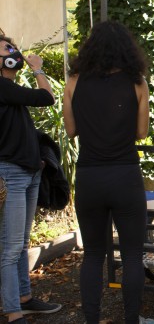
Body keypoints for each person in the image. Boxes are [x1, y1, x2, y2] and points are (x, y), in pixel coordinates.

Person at [63, 21, 154, 324]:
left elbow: (71, 129)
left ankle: (92, 320)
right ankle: (132, 320)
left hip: (89, 177)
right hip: (125, 175)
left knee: (92, 254)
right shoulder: (137, 82)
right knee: (131, 255)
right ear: (127, 50)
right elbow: (141, 132)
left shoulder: (74, 81)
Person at [0, 35, 62, 323]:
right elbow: (47, 97)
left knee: (21, 244)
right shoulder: (2, 87)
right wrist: (37, 68)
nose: (12, 53)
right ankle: (13, 312)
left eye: (12, 48)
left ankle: (24, 298)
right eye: (6, 50)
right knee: (11, 248)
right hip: (12, 175)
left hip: (28, 172)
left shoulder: (9, 88)